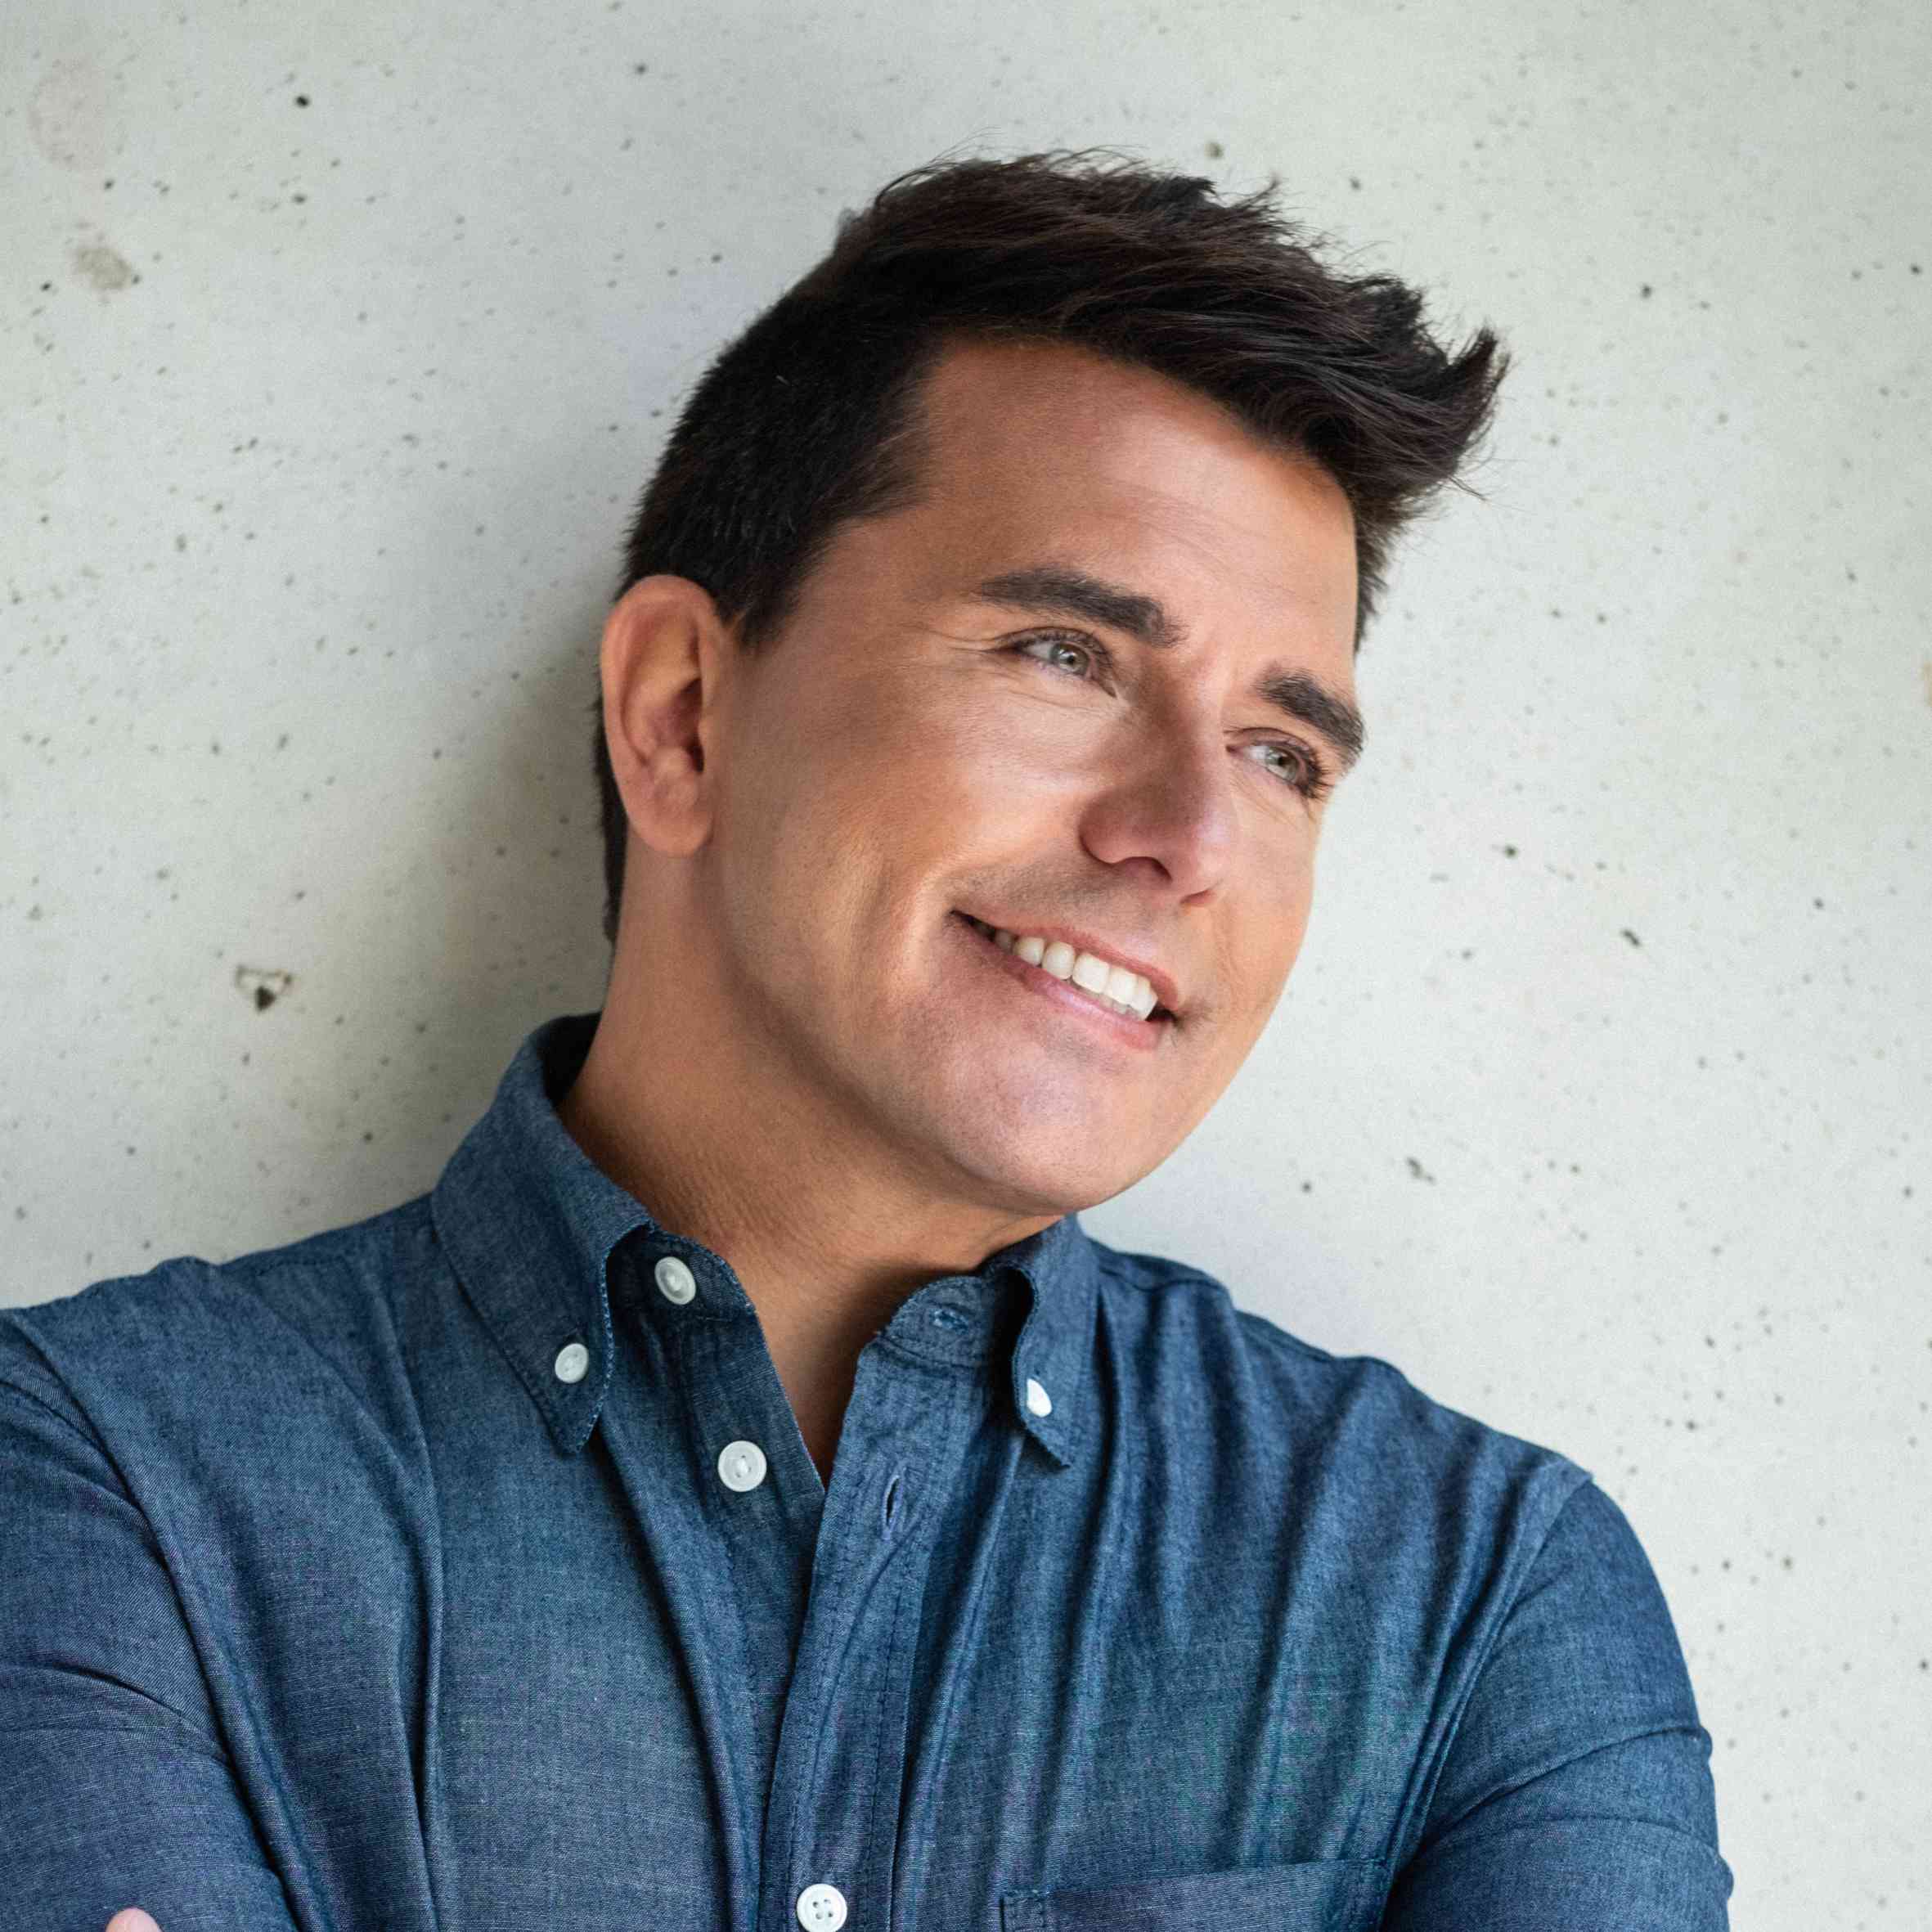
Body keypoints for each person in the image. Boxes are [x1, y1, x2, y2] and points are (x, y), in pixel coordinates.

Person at [1, 146, 1733, 1931]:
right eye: (1064, 655)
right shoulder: (90, 1475)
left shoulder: (1475, 1598)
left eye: (1280, 755)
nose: (1189, 837)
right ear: (681, 714)